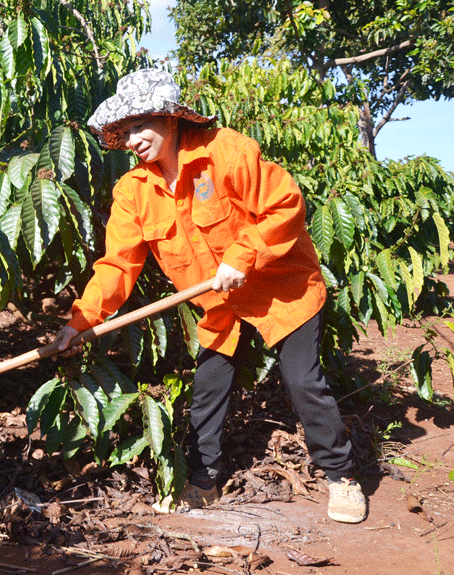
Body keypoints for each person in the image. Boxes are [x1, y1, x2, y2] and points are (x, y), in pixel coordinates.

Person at [51, 69, 366, 524]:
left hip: (282, 289)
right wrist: (80, 322)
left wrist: (242, 255)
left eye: (140, 126)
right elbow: (117, 265)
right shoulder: (133, 192)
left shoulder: (226, 151)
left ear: (170, 118)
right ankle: (204, 481)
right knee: (208, 390)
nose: (133, 140)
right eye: (124, 133)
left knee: (302, 381)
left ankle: (342, 475)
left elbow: (285, 204)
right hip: (220, 307)